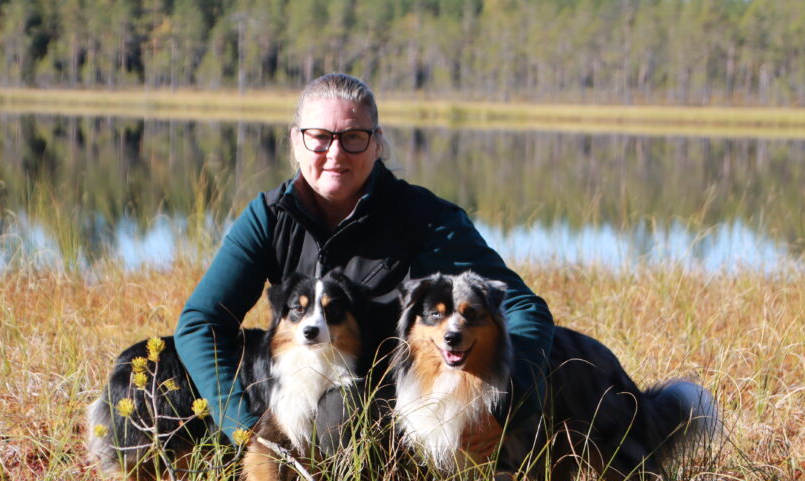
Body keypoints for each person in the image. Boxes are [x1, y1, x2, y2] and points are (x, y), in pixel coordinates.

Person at [174, 73, 554, 449]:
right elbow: (200, 324)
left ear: (377, 143)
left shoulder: (425, 218)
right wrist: (246, 431)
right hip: (294, 387)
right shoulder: (270, 217)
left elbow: (523, 307)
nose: (335, 154)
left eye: (353, 137)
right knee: (166, 371)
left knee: (339, 410)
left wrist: (505, 408)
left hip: (388, 399)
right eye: (319, 137)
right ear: (296, 141)